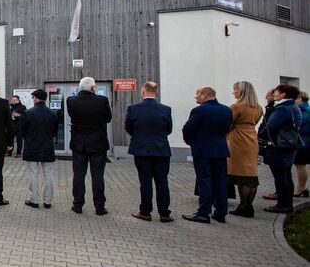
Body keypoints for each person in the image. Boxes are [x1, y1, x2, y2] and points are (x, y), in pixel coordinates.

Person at [182, 86, 233, 223]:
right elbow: (228, 128)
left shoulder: (200, 110)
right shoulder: (226, 110)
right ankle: (221, 212)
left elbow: (187, 129)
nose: (196, 97)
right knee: (220, 181)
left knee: (204, 180)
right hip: (220, 149)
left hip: (202, 150)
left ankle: (203, 213)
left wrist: (192, 142)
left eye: (197, 94)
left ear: (205, 95)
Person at [124, 81, 174, 222]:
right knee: (162, 181)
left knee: (145, 181)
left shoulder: (134, 109)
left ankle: (145, 211)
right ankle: (164, 213)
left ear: (143, 92)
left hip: (141, 150)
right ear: (156, 93)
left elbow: (128, 127)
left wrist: (139, 137)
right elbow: (169, 129)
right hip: (161, 150)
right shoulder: (166, 109)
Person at [66, 77, 112, 215]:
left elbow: (72, 115)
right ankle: (99, 207)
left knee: (79, 175)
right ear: (93, 88)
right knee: (98, 175)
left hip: (79, 144)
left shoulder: (71, 101)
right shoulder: (102, 101)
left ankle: (78, 205)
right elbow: (108, 118)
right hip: (98, 144)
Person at [261, 84, 303, 214]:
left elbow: (269, 126)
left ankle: (283, 204)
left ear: (283, 94)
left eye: (276, 91)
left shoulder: (282, 109)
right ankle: (286, 203)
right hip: (289, 144)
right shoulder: (292, 106)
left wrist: (261, 135)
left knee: (280, 176)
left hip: (279, 145)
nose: (274, 94)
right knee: (285, 175)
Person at [226, 81, 264, 217]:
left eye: (235, 90)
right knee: (251, 173)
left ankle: (243, 206)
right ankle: (249, 205)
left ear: (240, 91)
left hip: (238, 140)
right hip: (252, 139)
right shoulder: (258, 107)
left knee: (241, 174)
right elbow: (256, 122)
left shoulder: (236, 106)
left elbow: (228, 124)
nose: (233, 92)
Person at [21, 89, 59, 209]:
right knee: (48, 175)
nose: (32, 99)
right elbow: (55, 131)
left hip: (32, 147)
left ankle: (34, 200)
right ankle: (48, 201)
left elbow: (23, 131)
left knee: (33, 174)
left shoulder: (28, 113)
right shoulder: (53, 113)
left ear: (36, 98)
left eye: (33, 98)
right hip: (47, 147)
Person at [295, 91, 310, 199]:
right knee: (301, 164)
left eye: (295, 99)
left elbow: (298, 125)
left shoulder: (303, 110)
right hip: (305, 141)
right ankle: (302, 188)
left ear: (300, 99)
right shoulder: (307, 108)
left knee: (300, 164)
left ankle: (301, 188)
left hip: (303, 142)